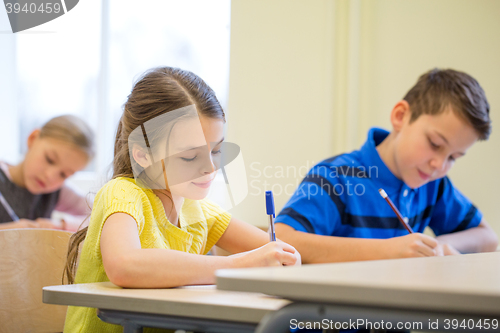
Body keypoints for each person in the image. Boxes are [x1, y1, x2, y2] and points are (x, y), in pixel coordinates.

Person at [63, 67, 301, 333]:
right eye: (190, 156)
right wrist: (237, 265)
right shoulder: (122, 194)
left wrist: (286, 258)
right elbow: (124, 266)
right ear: (142, 155)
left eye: (217, 150)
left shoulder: (198, 210)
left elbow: (282, 254)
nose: (210, 167)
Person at [275, 68, 498, 263]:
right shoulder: (336, 177)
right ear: (400, 116)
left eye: (453, 158)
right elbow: (281, 239)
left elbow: (488, 238)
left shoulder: (434, 185)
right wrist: (387, 250)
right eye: (435, 144)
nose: (439, 165)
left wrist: (438, 245)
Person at [0, 115, 94, 232]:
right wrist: (7, 232)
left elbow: (101, 215)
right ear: (33, 139)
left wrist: (59, 225)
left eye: (63, 175)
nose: (49, 176)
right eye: (49, 159)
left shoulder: (57, 191)